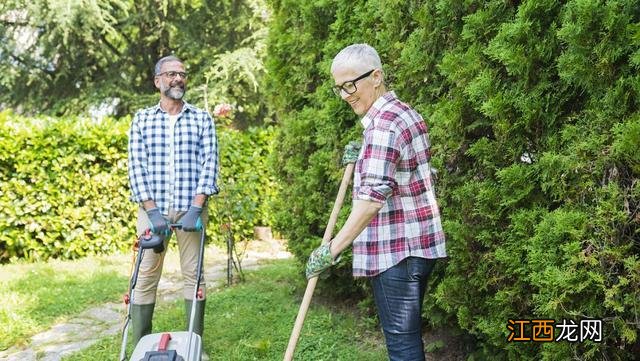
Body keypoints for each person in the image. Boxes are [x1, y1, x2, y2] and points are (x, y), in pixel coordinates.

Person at [306, 44, 447, 361]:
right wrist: (366, 154)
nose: (345, 95)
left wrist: (330, 250)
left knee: (402, 347)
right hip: (416, 247)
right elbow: (406, 171)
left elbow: (371, 202)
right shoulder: (404, 113)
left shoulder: (382, 126)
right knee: (407, 341)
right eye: (339, 88)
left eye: (350, 85)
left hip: (398, 252)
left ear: (377, 76)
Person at [127, 55, 219, 346]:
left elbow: (210, 163)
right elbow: (136, 166)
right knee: (144, 276)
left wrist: (196, 207)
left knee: (194, 275)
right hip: (152, 211)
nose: (178, 78)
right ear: (158, 81)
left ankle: (195, 342)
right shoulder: (142, 120)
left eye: (182, 74)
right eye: (170, 74)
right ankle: (141, 343)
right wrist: (152, 212)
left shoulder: (201, 118)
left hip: (191, 210)